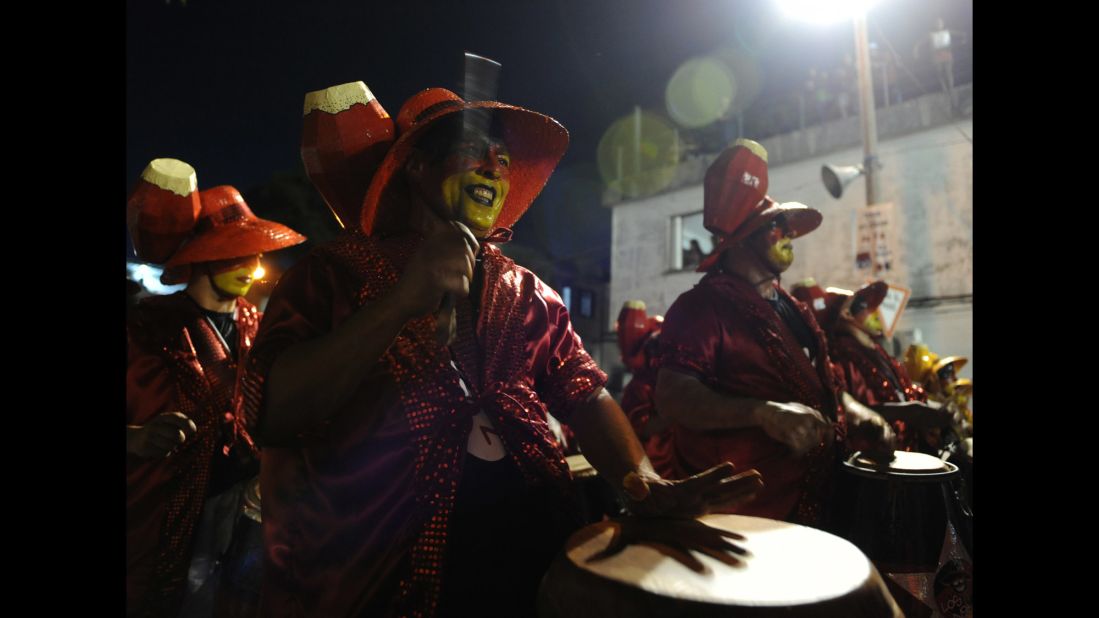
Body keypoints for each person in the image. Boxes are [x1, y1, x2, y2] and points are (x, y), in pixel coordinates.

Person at [239, 85, 762, 617]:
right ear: (416, 168)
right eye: (473, 151)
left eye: (504, 159)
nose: (493, 167)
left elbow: (584, 393)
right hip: (376, 577)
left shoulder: (528, 290)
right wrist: (398, 303)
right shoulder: (332, 273)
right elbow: (274, 413)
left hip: (531, 558)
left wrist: (640, 480)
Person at [650, 139, 896, 526]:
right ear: (741, 240)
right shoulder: (700, 308)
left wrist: (858, 413)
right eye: (775, 226)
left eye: (786, 226)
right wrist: (761, 413)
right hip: (744, 518)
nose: (787, 234)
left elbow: (826, 384)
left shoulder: (796, 309)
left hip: (813, 505)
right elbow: (674, 396)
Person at [126, 159, 306, 617]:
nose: (253, 263)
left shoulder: (263, 328)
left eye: (256, 251)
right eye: (236, 251)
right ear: (201, 256)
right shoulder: (144, 328)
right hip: (153, 517)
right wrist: (137, 437)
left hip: (239, 517)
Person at [790, 279, 942, 451]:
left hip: (905, 444)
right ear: (846, 315)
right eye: (865, 307)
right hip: (880, 451)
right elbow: (849, 409)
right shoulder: (839, 354)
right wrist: (908, 412)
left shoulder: (873, 348)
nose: (875, 313)